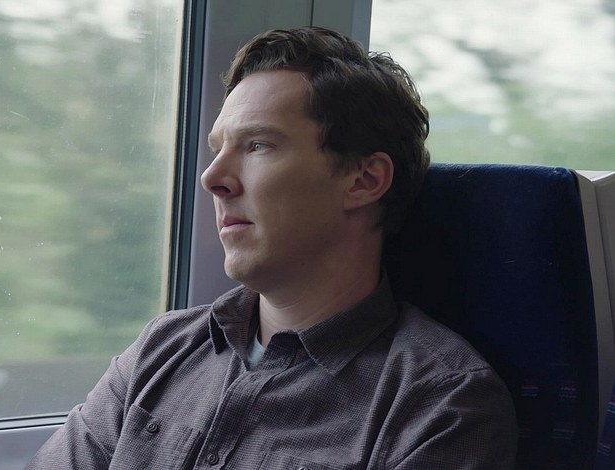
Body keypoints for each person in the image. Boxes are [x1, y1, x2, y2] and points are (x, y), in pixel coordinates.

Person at [26, 26, 517, 469]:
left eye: (258, 145)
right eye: (218, 149)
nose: (212, 178)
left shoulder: (438, 405)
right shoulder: (161, 349)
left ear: (364, 180)